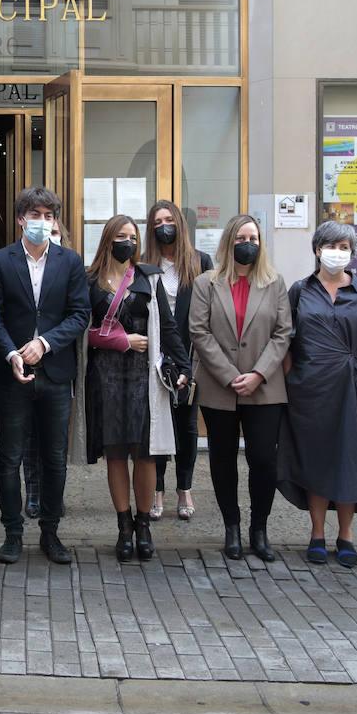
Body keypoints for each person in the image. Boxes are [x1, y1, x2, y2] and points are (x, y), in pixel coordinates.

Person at [75, 215, 190, 563]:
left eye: (133, 237)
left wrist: (183, 365)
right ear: (108, 240)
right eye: (121, 236)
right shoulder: (89, 280)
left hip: (144, 378)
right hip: (105, 377)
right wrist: (120, 341)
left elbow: (168, 327)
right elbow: (81, 330)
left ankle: (143, 526)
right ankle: (123, 526)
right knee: (115, 453)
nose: (128, 242)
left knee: (145, 453)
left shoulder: (148, 278)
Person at [0, 187, 89, 566]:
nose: (42, 222)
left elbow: (79, 315)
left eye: (49, 216)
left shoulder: (70, 261)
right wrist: (13, 352)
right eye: (36, 215)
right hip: (12, 375)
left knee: (55, 457)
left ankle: (51, 532)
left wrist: (44, 343)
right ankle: (13, 532)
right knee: (8, 457)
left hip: (56, 374)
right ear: (20, 219)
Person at [278, 221, 357, 567]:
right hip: (310, 390)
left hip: (355, 391)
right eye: (331, 246)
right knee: (316, 458)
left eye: (344, 247)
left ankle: (346, 535)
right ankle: (316, 533)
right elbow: (286, 342)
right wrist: (293, 379)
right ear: (317, 249)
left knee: (350, 459)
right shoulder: (300, 290)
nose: (337, 253)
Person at [188, 213, 291, 561]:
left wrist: (258, 374)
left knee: (263, 458)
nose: (248, 245)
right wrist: (229, 374)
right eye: (241, 238)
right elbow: (199, 332)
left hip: (265, 387)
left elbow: (283, 333)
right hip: (220, 387)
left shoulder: (274, 282)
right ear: (229, 241)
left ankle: (258, 529)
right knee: (222, 457)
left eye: (254, 239)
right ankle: (231, 527)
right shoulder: (206, 283)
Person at [145, 200, 212, 521]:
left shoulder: (201, 262)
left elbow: (212, 313)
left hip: (191, 359)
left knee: (187, 426)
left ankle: (183, 489)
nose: (163, 226)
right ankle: (156, 490)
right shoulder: (144, 263)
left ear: (180, 223)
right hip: (154, 359)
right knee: (155, 426)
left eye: (168, 219)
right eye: (157, 221)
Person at [20, 218, 74, 518]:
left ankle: (55, 497)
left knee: (55, 442)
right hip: (23, 363)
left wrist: (47, 342)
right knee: (29, 437)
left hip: (57, 363)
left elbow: (77, 315)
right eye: (46, 232)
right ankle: (32, 493)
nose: (48, 237)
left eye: (55, 233)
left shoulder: (69, 269)